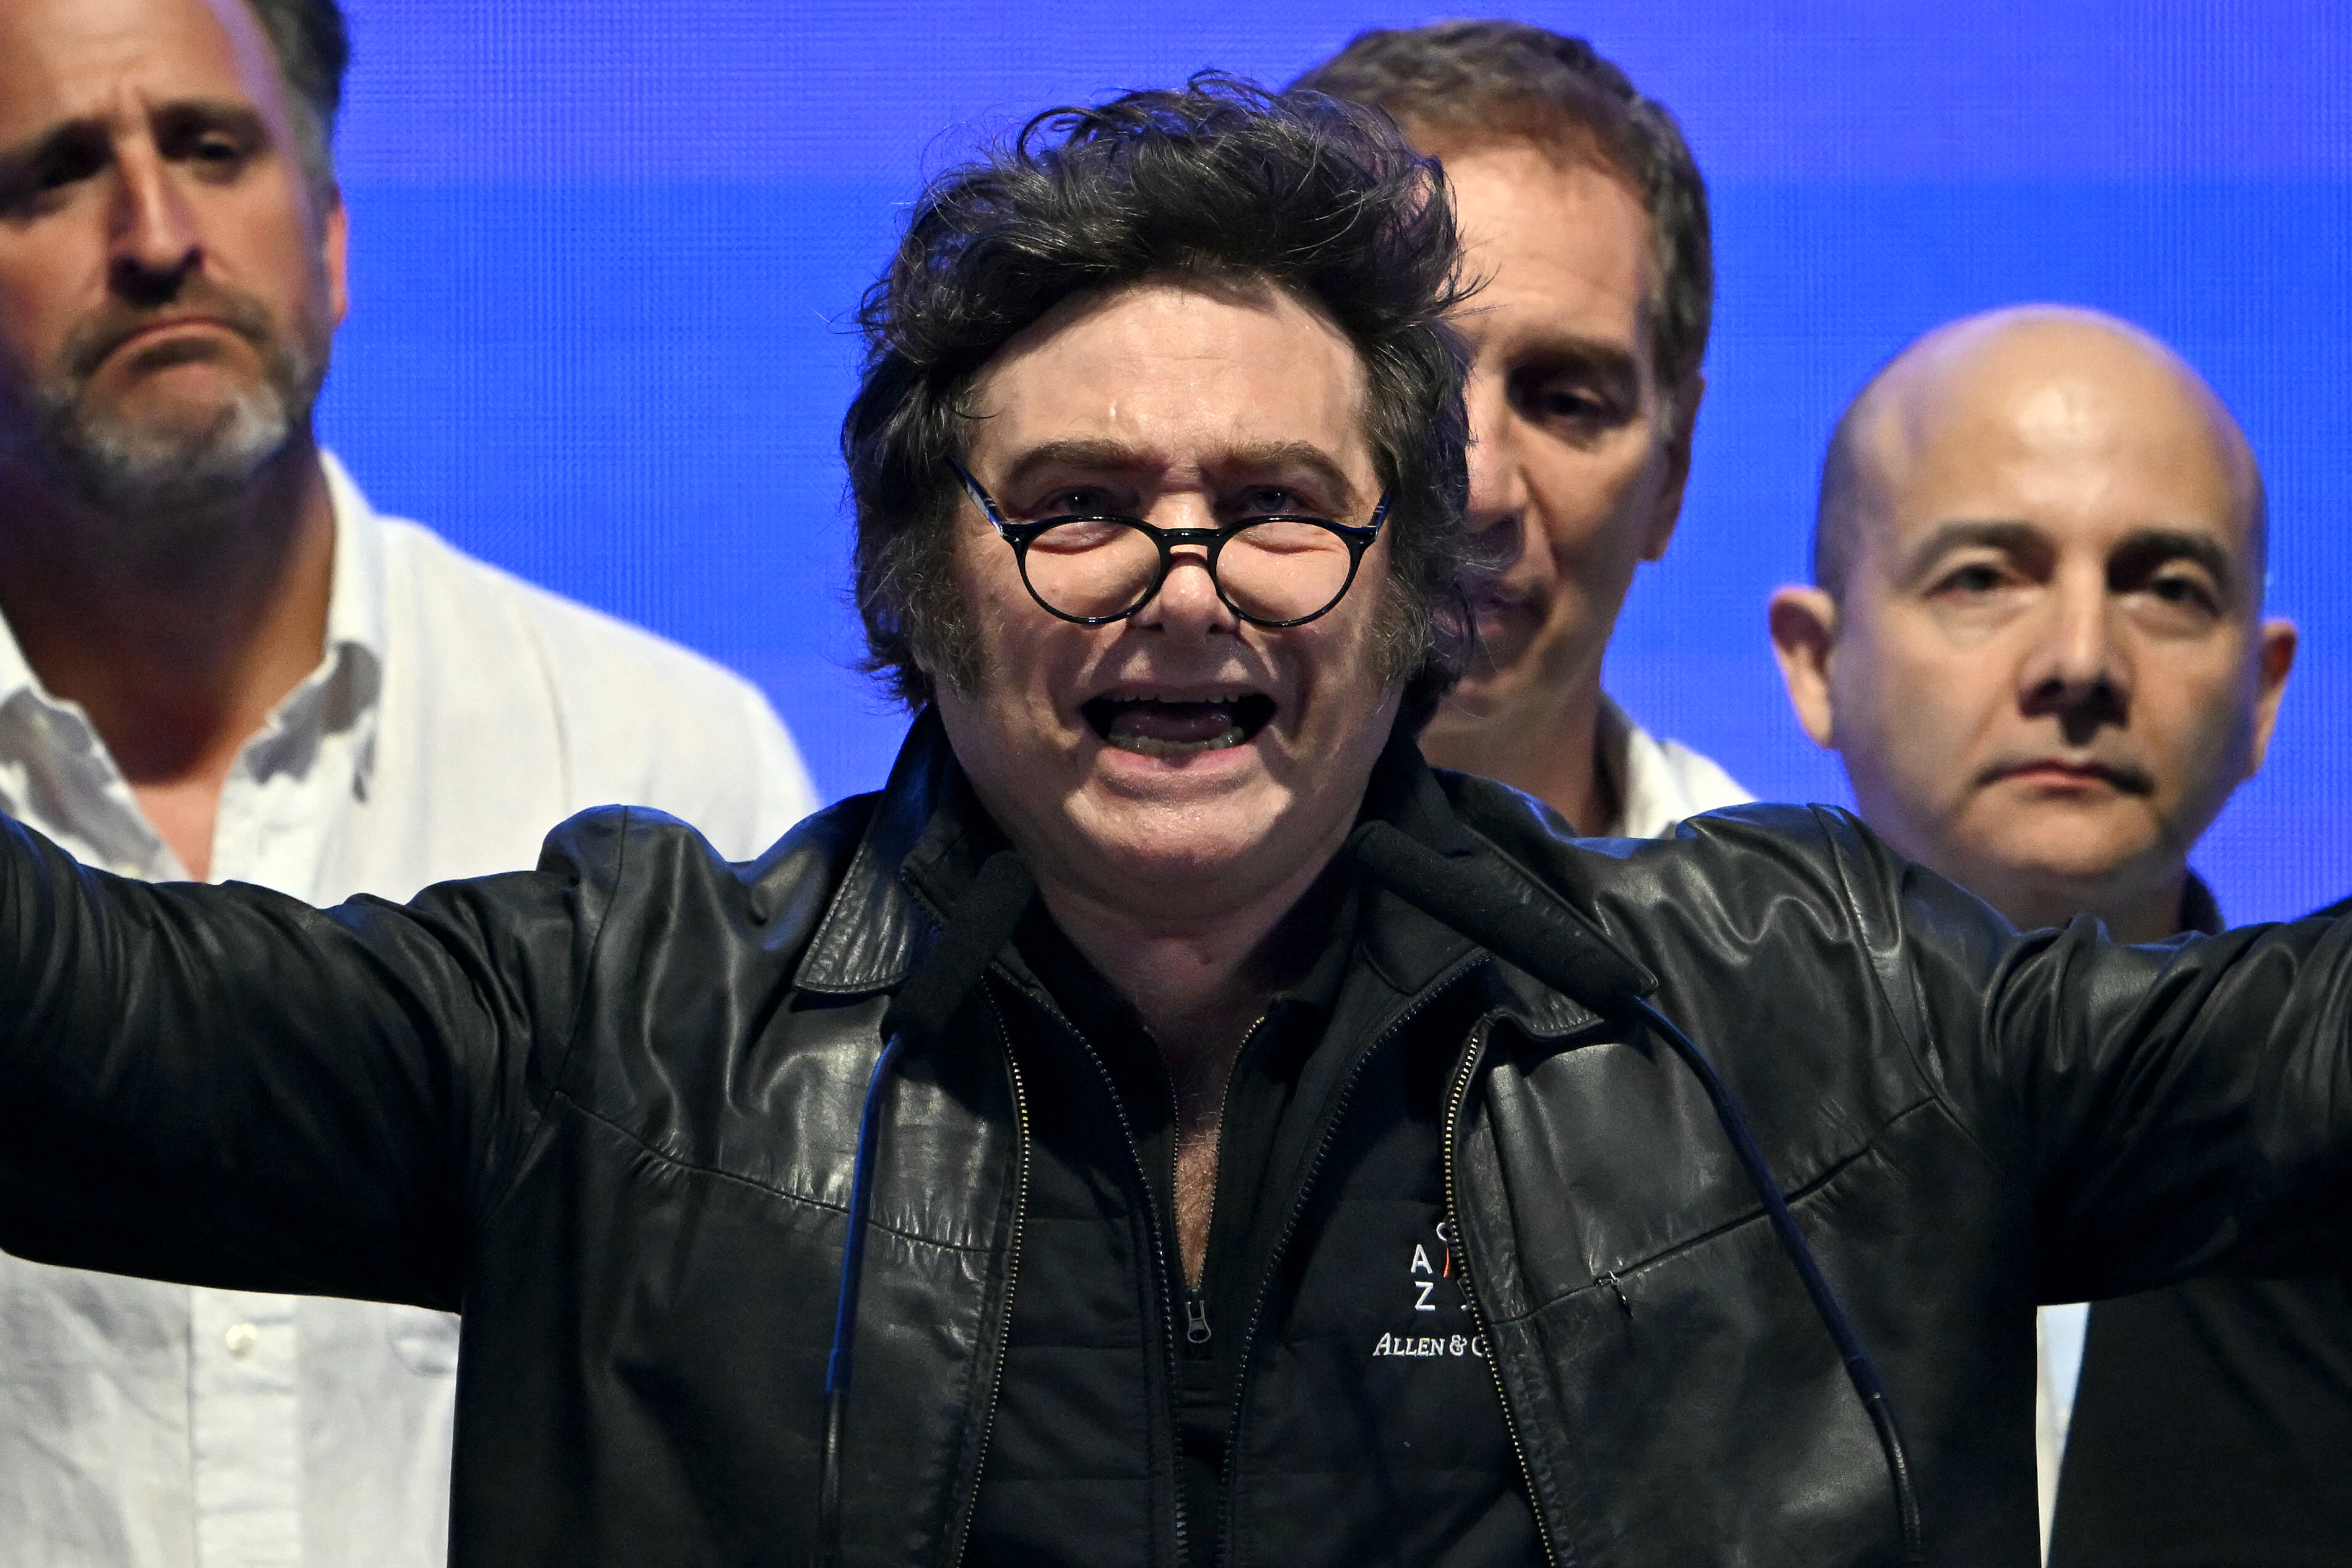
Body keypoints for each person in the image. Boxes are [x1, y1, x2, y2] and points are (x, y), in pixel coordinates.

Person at [4, 77, 2352, 1568]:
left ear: (1411, 591)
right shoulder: (621, 1029)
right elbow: (70, 1024)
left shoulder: (1813, 1016)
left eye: (1277, 507)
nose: (1187, 577)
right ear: (917, 591)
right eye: (1078, 505)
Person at [0, 0, 816, 1563]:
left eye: (212, 147)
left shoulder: (666, 761)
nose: (157, 237)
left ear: (330, 236)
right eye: (54, 173)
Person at [1768, 306, 2343, 1566]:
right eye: (1984, 578)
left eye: (2167, 589)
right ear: (1815, 661)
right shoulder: (1633, 1139)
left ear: (2264, 694)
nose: (2081, 660)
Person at [1294, 20, 1748, 837]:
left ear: (1672, 473)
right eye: (1408, 380)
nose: (1478, 491)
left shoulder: (1793, 918)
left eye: (1565, 402)